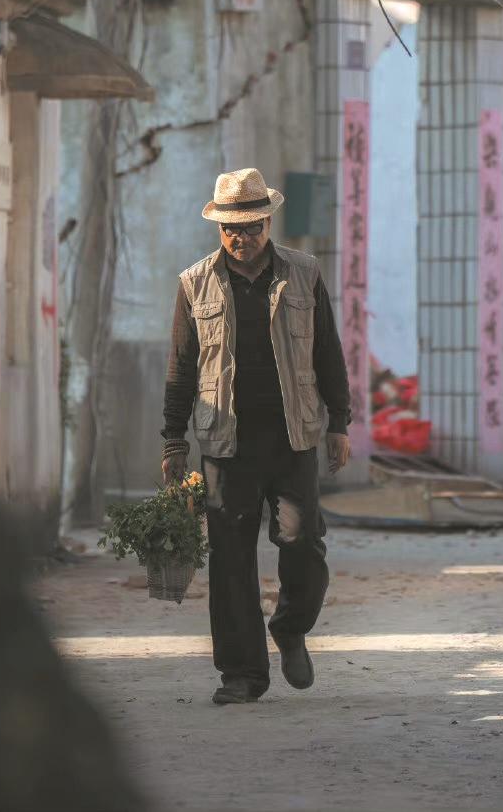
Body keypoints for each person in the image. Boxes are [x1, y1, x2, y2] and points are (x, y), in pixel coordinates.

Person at [161, 167, 351, 706]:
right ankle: (242, 674)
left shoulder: (304, 274)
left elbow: (328, 352)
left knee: (303, 544)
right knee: (229, 559)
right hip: (225, 443)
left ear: (267, 221)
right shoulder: (194, 283)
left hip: (293, 437)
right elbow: (179, 368)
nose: (238, 237)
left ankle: (290, 627)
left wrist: (340, 422)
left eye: (248, 226)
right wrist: (172, 441)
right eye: (228, 228)